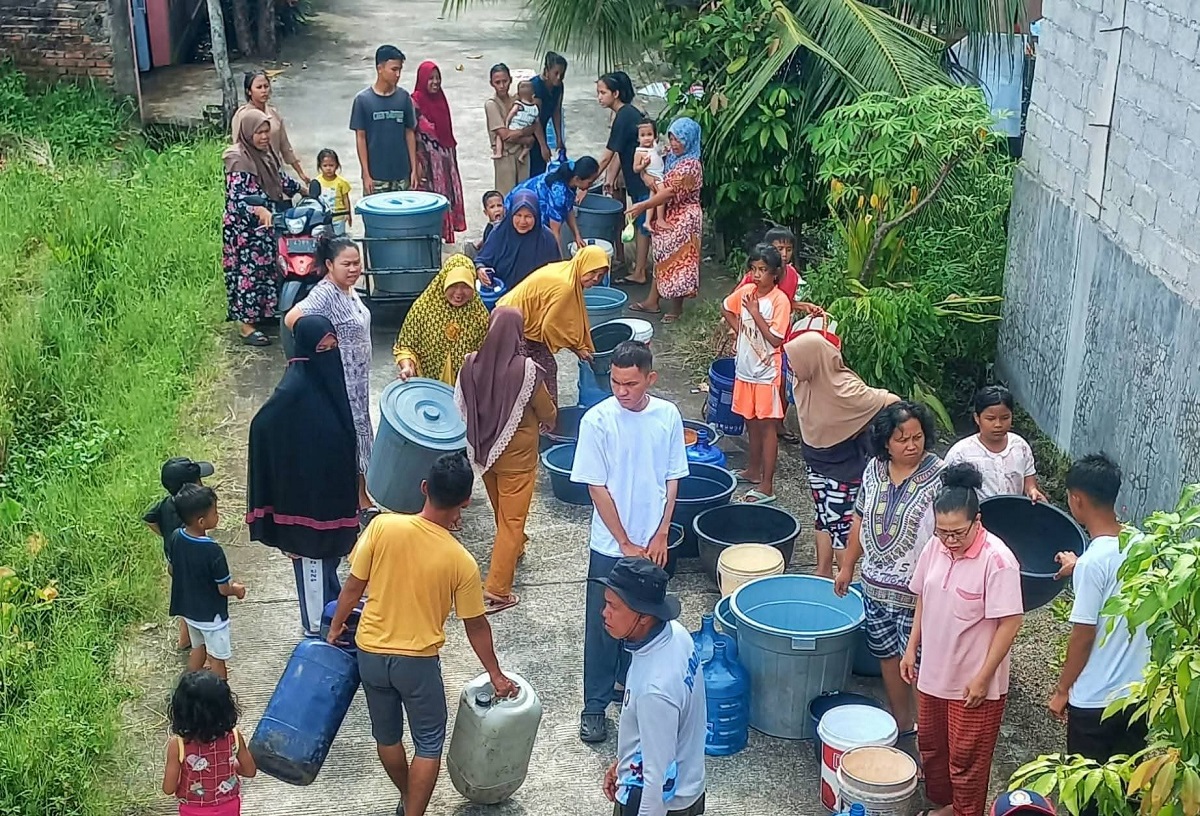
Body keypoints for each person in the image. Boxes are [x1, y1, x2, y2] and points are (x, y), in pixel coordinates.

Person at [326, 452, 518, 816]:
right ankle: (414, 806)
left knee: (386, 737)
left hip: (370, 653)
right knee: (428, 744)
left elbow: (352, 586)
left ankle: (409, 797)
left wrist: (336, 626)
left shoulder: (382, 527)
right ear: (464, 502)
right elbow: (475, 624)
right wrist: (495, 674)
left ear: (424, 488)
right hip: (417, 663)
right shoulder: (460, 560)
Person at [570, 341, 690, 743]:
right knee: (604, 625)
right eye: (616, 382)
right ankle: (594, 706)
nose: (621, 391)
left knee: (644, 622)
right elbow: (595, 486)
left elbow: (673, 477)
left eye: (631, 384)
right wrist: (623, 541)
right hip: (610, 546)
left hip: (652, 542)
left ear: (650, 379)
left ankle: (629, 688)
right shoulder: (598, 420)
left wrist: (661, 533)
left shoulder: (668, 416)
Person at [901, 464, 1024, 816]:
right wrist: (911, 647)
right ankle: (945, 806)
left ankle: (965, 811)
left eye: (958, 533)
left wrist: (983, 678)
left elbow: (1010, 622)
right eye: (942, 532)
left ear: (978, 520)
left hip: (973, 681)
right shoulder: (935, 548)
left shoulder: (998, 560)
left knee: (967, 758)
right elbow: (923, 594)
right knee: (932, 748)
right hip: (934, 674)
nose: (950, 541)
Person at [834, 400, 943, 734]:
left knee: (921, 667)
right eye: (902, 439)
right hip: (875, 589)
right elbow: (860, 518)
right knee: (887, 658)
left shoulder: (940, 475)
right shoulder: (874, 470)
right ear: (885, 443)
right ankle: (902, 722)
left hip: (919, 595)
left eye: (917, 437)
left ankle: (927, 742)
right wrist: (847, 567)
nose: (911, 445)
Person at [246, 316, 359, 636]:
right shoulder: (294, 390)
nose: (329, 355)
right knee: (313, 577)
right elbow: (262, 427)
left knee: (329, 569)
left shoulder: (329, 387)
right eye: (322, 349)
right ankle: (317, 634)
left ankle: (333, 618)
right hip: (305, 514)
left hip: (330, 501)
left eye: (333, 347)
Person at [455, 306, 556, 614]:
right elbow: (545, 408)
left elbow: (461, 404)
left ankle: (516, 546)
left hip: (485, 453)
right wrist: (551, 420)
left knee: (502, 507)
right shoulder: (525, 369)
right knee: (512, 520)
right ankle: (498, 589)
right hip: (518, 456)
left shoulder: (470, 363)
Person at [1049, 454, 1150, 764]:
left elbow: (1083, 636)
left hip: (1095, 701)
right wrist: (1078, 566)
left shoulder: (1092, 565)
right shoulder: (1142, 544)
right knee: (1127, 792)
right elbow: (1116, 579)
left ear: (1076, 500)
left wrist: (1062, 690)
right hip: (1138, 696)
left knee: (1089, 796)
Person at [595, 558, 707, 816]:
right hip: (691, 787)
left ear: (643, 616)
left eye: (613, 606)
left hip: (659, 803)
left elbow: (657, 782)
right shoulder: (677, 635)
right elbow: (661, 734)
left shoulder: (654, 690)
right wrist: (624, 763)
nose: (604, 612)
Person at [783, 332, 900, 578]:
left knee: (841, 528)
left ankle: (843, 581)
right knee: (822, 517)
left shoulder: (845, 388)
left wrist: (876, 435)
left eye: (793, 360)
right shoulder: (805, 381)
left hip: (843, 468)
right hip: (816, 461)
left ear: (812, 359)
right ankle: (822, 572)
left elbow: (891, 401)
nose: (790, 366)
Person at [284, 237, 374, 516]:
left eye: (357, 263)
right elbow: (292, 319)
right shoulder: (325, 294)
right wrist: (316, 355)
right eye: (346, 264)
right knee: (348, 437)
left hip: (359, 382)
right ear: (329, 265)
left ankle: (362, 495)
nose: (353, 269)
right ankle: (354, 500)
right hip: (341, 380)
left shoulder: (349, 290)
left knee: (360, 435)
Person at [222, 108, 301, 346]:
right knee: (249, 274)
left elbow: (279, 180)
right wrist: (259, 209)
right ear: (247, 133)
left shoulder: (263, 154)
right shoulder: (238, 159)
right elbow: (238, 198)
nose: (265, 137)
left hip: (264, 225)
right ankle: (246, 325)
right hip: (244, 229)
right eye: (259, 132)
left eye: (267, 131)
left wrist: (302, 189)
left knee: (268, 268)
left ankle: (263, 314)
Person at [721, 244, 791, 505]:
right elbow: (726, 307)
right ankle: (752, 469)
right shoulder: (747, 292)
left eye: (763, 270)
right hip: (746, 369)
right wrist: (740, 329)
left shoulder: (779, 301)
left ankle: (767, 484)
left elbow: (775, 340)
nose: (756, 275)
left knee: (767, 426)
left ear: (775, 273)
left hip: (766, 373)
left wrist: (754, 315)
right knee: (750, 420)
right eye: (753, 269)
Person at [497, 244, 609, 404]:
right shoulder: (567, 286)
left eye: (600, 275)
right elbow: (550, 327)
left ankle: (541, 415)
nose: (595, 279)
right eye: (592, 272)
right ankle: (543, 420)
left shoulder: (568, 270)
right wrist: (575, 347)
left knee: (542, 369)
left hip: (518, 319)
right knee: (535, 373)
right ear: (582, 264)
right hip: (511, 325)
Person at [166, 485, 246, 681]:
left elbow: (171, 569)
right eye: (215, 513)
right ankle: (222, 697)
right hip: (212, 617)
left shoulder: (176, 536)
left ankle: (184, 688)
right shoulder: (213, 551)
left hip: (190, 612)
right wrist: (237, 590)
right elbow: (223, 588)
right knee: (217, 660)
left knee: (198, 650)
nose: (218, 516)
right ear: (202, 521)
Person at [627, 118, 702, 323]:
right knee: (661, 256)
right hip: (667, 214)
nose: (674, 143)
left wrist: (643, 206)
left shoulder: (690, 166)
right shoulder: (671, 157)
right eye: (671, 138)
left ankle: (676, 308)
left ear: (690, 140)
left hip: (685, 219)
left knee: (680, 262)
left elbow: (668, 192)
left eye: (679, 139)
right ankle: (653, 300)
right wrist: (644, 174)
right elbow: (651, 173)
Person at [144, 457, 216, 651]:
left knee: (185, 600)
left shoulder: (165, 503)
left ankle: (184, 638)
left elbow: (149, 519)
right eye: (199, 481)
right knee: (199, 605)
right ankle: (204, 652)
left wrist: (166, 535)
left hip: (173, 563)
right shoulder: (189, 515)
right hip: (190, 567)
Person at [162, 670, 256, 816]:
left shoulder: (178, 745)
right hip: (229, 807)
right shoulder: (234, 736)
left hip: (193, 810)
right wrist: (231, 768)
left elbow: (168, 788)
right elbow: (250, 771)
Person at [393, 254, 490, 385]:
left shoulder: (479, 315)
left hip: (465, 392)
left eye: (465, 286)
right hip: (428, 389)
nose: (459, 293)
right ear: (443, 282)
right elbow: (406, 346)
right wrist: (407, 366)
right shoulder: (423, 309)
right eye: (453, 285)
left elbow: (485, 356)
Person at [594, 72, 651, 286]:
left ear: (616, 93)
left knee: (644, 224)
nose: (599, 97)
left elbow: (608, 155)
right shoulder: (627, 114)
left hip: (641, 177)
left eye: (603, 92)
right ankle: (639, 268)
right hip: (637, 175)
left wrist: (586, 183)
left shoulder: (624, 116)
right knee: (641, 222)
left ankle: (640, 271)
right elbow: (619, 150)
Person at [944, 385, 1046, 501]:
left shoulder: (1020, 446)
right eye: (991, 419)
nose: (998, 424)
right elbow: (949, 495)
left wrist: (1033, 491)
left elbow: (1029, 483)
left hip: (1015, 514)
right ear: (977, 418)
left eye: (1005, 418)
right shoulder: (960, 454)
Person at [351, 44, 419, 195]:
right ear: (379, 68)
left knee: (404, 216)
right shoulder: (363, 100)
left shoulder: (404, 98)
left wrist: (414, 169)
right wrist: (366, 174)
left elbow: (409, 133)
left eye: (400, 70)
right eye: (394, 69)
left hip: (401, 175)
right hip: (376, 177)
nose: (398, 74)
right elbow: (360, 138)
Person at [411, 60, 467, 244]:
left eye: (437, 78)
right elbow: (411, 133)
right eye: (430, 78)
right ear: (422, 79)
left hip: (445, 160)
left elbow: (448, 132)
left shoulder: (441, 99)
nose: (435, 82)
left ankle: (445, 234)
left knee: (446, 196)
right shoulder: (415, 101)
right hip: (426, 162)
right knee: (431, 199)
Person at [473, 189, 561, 289]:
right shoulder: (499, 233)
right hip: (503, 298)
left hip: (536, 298)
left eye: (528, 216)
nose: (522, 221)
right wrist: (480, 269)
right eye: (518, 215)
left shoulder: (547, 239)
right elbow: (481, 260)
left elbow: (556, 272)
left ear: (536, 216)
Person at [506, 156, 601, 248]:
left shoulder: (570, 175)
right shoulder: (559, 192)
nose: (591, 185)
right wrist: (560, 260)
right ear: (577, 179)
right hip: (515, 208)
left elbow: (568, 208)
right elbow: (554, 231)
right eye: (590, 182)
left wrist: (577, 236)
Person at [232, 70, 307, 182]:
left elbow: (285, 147)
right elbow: (238, 147)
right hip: (253, 175)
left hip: (274, 172)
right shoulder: (243, 116)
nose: (264, 91)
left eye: (266, 86)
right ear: (249, 91)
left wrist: (301, 173)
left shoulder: (273, 114)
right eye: (259, 87)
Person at [484, 63, 534, 194]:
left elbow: (533, 123)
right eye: (497, 82)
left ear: (510, 80)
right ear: (491, 83)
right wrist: (525, 136)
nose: (502, 86)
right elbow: (505, 134)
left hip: (521, 154)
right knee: (506, 195)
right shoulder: (491, 104)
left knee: (523, 194)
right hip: (505, 157)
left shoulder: (517, 100)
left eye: (505, 81)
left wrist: (524, 133)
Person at [529, 51, 568, 177]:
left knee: (542, 167)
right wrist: (543, 146)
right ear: (547, 71)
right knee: (533, 167)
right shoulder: (535, 87)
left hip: (542, 129)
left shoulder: (559, 87)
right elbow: (535, 120)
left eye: (562, 74)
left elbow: (556, 111)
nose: (559, 77)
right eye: (555, 73)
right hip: (530, 130)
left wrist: (559, 138)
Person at [635, 119, 666, 231]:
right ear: (638, 138)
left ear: (655, 136)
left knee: (651, 200)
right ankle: (660, 219)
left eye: (649, 134)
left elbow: (660, 153)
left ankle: (647, 222)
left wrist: (665, 150)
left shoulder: (654, 146)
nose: (646, 138)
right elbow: (635, 168)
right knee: (661, 194)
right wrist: (643, 165)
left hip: (659, 174)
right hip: (654, 176)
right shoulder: (639, 152)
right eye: (642, 135)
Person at [497, 80, 539, 163]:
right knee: (530, 141)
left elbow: (511, 114)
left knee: (499, 136)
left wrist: (506, 124)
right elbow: (536, 122)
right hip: (525, 131)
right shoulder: (535, 108)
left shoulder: (518, 105)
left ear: (519, 95)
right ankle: (522, 156)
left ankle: (499, 152)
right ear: (533, 95)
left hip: (513, 129)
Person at [316, 148, 353, 236]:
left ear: (337, 166)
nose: (328, 168)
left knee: (339, 240)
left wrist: (348, 214)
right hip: (323, 218)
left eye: (331, 165)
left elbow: (346, 199)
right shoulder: (317, 181)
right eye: (325, 166)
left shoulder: (342, 182)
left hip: (338, 217)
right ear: (320, 166)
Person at [466, 190, 505, 258]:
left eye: (499, 205)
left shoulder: (505, 225)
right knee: (468, 247)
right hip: (488, 257)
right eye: (492, 207)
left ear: (504, 208)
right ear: (486, 212)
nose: (497, 209)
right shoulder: (489, 228)